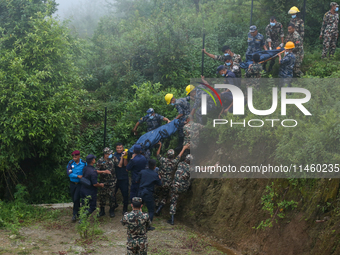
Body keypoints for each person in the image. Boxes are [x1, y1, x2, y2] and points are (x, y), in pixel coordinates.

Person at [154, 142, 188, 216]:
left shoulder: (163, 160)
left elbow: (157, 154)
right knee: (165, 196)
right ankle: (160, 208)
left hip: (160, 180)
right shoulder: (174, 162)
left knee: (156, 194)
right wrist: (184, 148)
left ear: (167, 154)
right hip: (168, 182)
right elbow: (179, 155)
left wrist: (160, 146)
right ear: (173, 155)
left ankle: (156, 207)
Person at [168, 154, 193, 225]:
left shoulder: (180, 164)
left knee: (173, 202)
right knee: (190, 177)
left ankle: (172, 219)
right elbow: (201, 169)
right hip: (183, 188)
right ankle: (190, 189)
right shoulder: (191, 168)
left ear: (185, 159)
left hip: (175, 187)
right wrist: (213, 167)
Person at [136, 159, 162, 228]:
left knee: (138, 208)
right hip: (148, 193)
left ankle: (137, 223)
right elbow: (160, 184)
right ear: (154, 167)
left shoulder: (142, 172)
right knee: (150, 210)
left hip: (140, 192)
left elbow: (136, 180)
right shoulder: (155, 174)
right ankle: (147, 226)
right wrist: (159, 178)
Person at [96, 147, 118, 218]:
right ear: (105, 154)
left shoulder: (113, 158)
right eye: (109, 153)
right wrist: (104, 171)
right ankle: (102, 211)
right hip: (103, 182)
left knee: (112, 197)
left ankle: (111, 210)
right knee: (102, 197)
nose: (111, 154)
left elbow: (119, 165)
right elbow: (96, 171)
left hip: (112, 181)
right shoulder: (100, 161)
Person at [66, 150, 86, 222]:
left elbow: (87, 172)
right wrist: (77, 176)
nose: (74, 158)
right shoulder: (70, 163)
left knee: (80, 199)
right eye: (73, 156)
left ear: (79, 156)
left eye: (75, 156)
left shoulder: (84, 163)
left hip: (81, 184)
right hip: (73, 184)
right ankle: (76, 213)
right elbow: (69, 173)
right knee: (75, 199)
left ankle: (78, 214)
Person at [113, 143, 129, 214]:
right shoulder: (114, 155)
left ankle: (125, 209)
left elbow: (125, 165)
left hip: (124, 178)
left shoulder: (127, 154)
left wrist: (125, 156)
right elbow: (119, 165)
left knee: (125, 194)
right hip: (115, 178)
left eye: (120, 148)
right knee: (112, 194)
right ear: (116, 149)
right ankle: (113, 206)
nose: (119, 149)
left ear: (123, 148)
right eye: (117, 148)